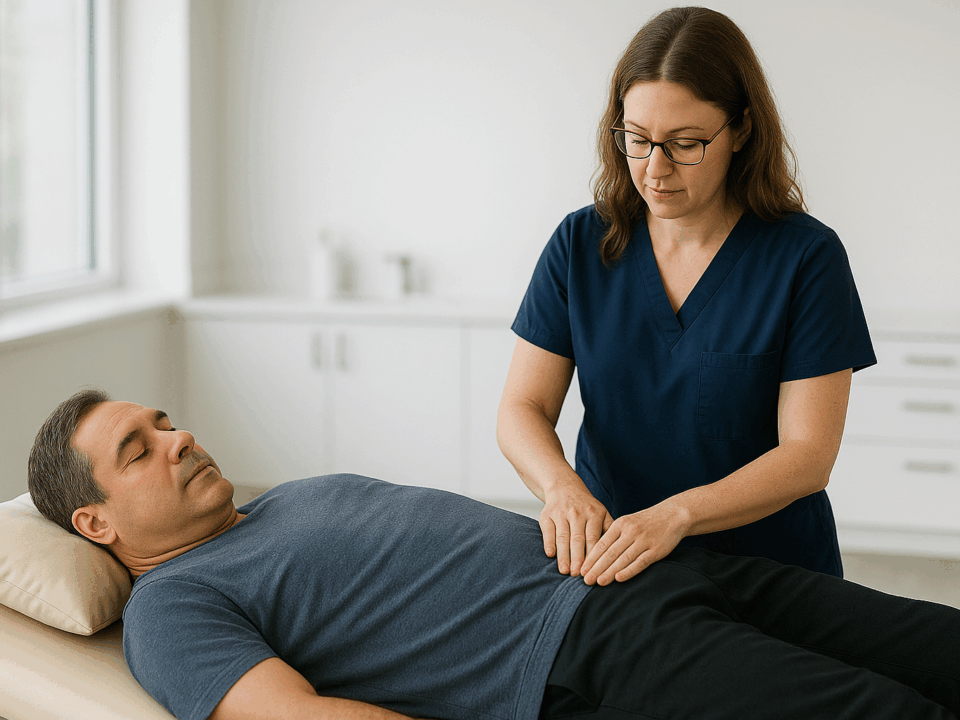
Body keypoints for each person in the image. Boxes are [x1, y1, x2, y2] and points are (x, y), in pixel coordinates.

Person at [26, 389, 960, 720]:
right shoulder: (170, 609)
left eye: (165, 422)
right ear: (97, 525)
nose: (179, 439)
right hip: (582, 653)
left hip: (643, 565)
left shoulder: (284, 502)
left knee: (935, 645)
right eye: (139, 452)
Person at [497, 6, 876, 584]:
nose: (654, 169)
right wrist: (562, 490)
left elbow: (807, 456)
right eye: (636, 139)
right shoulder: (581, 243)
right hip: (618, 569)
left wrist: (677, 515)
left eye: (685, 143)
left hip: (770, 574)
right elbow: (522, 409)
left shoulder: (806, 258)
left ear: (741, 131)